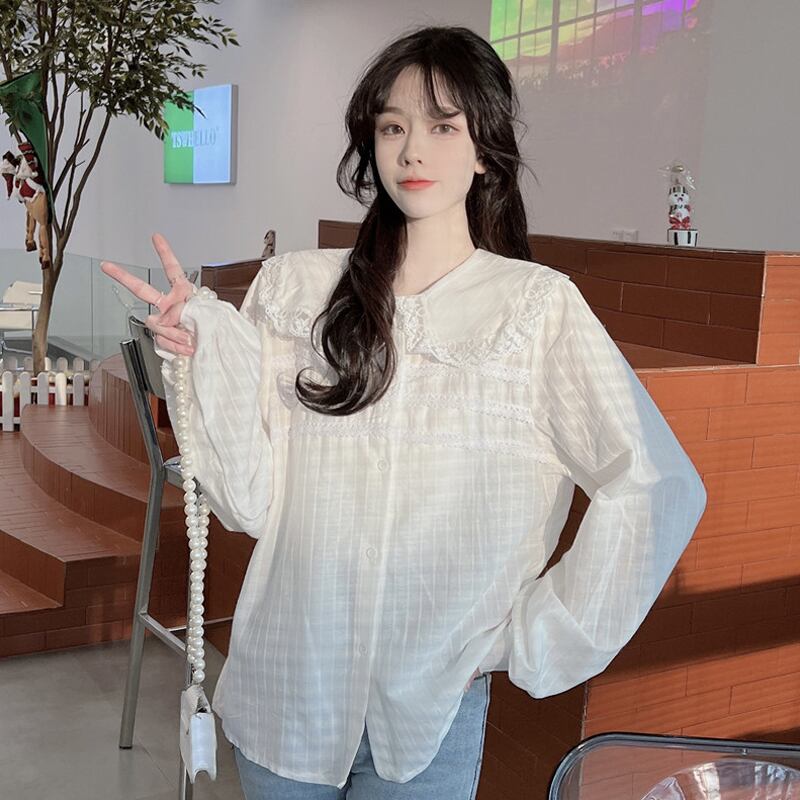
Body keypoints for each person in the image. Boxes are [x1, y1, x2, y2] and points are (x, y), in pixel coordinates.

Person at [101, 24, 707, 800]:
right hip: (288, 685)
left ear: (485, 148)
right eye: (393, 127)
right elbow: (249, 500)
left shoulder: (535, 309)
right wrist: (206, 351)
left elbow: (654, 483)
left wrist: (530, 637)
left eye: (443, 126)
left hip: (432, 710)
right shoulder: (296, 290)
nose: (413, 150)